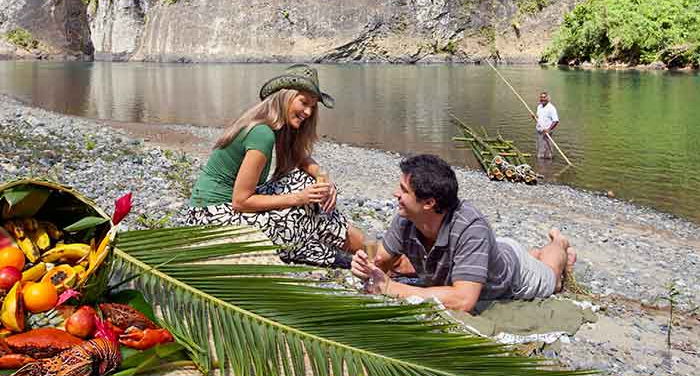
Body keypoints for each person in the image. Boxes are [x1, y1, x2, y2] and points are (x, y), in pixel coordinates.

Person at [176, 64, 364, 266]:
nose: (309, 112)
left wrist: (323, 177)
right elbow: (241, 201)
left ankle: (362, 251)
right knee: (303, 205)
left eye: (313, 107)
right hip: (211, 217)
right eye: (304, 103)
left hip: (218, 209)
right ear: (285, 97)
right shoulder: (262, 134)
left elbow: (301, 158)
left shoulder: (275, 127)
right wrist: (299, 198)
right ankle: (360, 253)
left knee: (307, 184)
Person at [351, 154, 577, 313]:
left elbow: (464, 300)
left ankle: (559, 243)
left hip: (513, 276)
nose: (395, 194)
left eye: (403, 190)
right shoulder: (406, 218)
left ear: (429, 203)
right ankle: (536, 252)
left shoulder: (471, 227)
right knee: (516, 254)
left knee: (553, 278)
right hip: (484, 253)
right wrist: (366, 268)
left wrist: (392, 288)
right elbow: (381, 259)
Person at [535, 91, 559, 159]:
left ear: (548, 99)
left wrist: (548, 130)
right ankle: (541, 165)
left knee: (547, 151)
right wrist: (535, 117)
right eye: (541, 97)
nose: (542, 99)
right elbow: (539, 118)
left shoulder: (551, 108)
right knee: (540, 149)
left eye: (544, 97)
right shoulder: (539, 107)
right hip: (539, 132)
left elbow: (556, 120)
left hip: (547, 133)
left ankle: (548, 163)